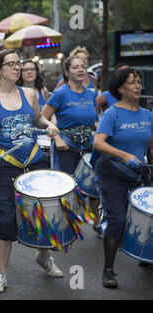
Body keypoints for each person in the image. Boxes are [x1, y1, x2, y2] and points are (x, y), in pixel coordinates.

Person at [0, 49, 61, 293]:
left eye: (18, 64)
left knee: (41, 211)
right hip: (4, 165)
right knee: (4, 220)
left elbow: (37, 121)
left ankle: (44, 256)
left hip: (34, 161)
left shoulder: (31, 94)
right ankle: (0, 273)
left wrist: (49, 126)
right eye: (11, 64)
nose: (17, 68)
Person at [93, 67, 153, 287]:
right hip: (112, 172)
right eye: (132, 82)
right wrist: (124, 154)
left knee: (148, 216)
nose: (137, 86)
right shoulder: (113, 113)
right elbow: (98, 143)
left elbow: (151, 147)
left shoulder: (148, 115)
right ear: (120, 88)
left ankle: (145, 258)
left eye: (139, 82)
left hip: (139, 172)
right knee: (117, 219)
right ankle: (108, 270)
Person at [42, 56, 101, 235]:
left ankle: (97, 222)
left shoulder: (91, 94)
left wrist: (102, 132)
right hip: (66, 145)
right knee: (67, 186)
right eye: (75, 67)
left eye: (83, 67)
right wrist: (56, 137)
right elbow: (42, 118)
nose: (81, 70)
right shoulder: (60, 93)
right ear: (67, 71)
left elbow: (93, 120)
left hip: (89, 146)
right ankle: (65, 223)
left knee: (92, 185)